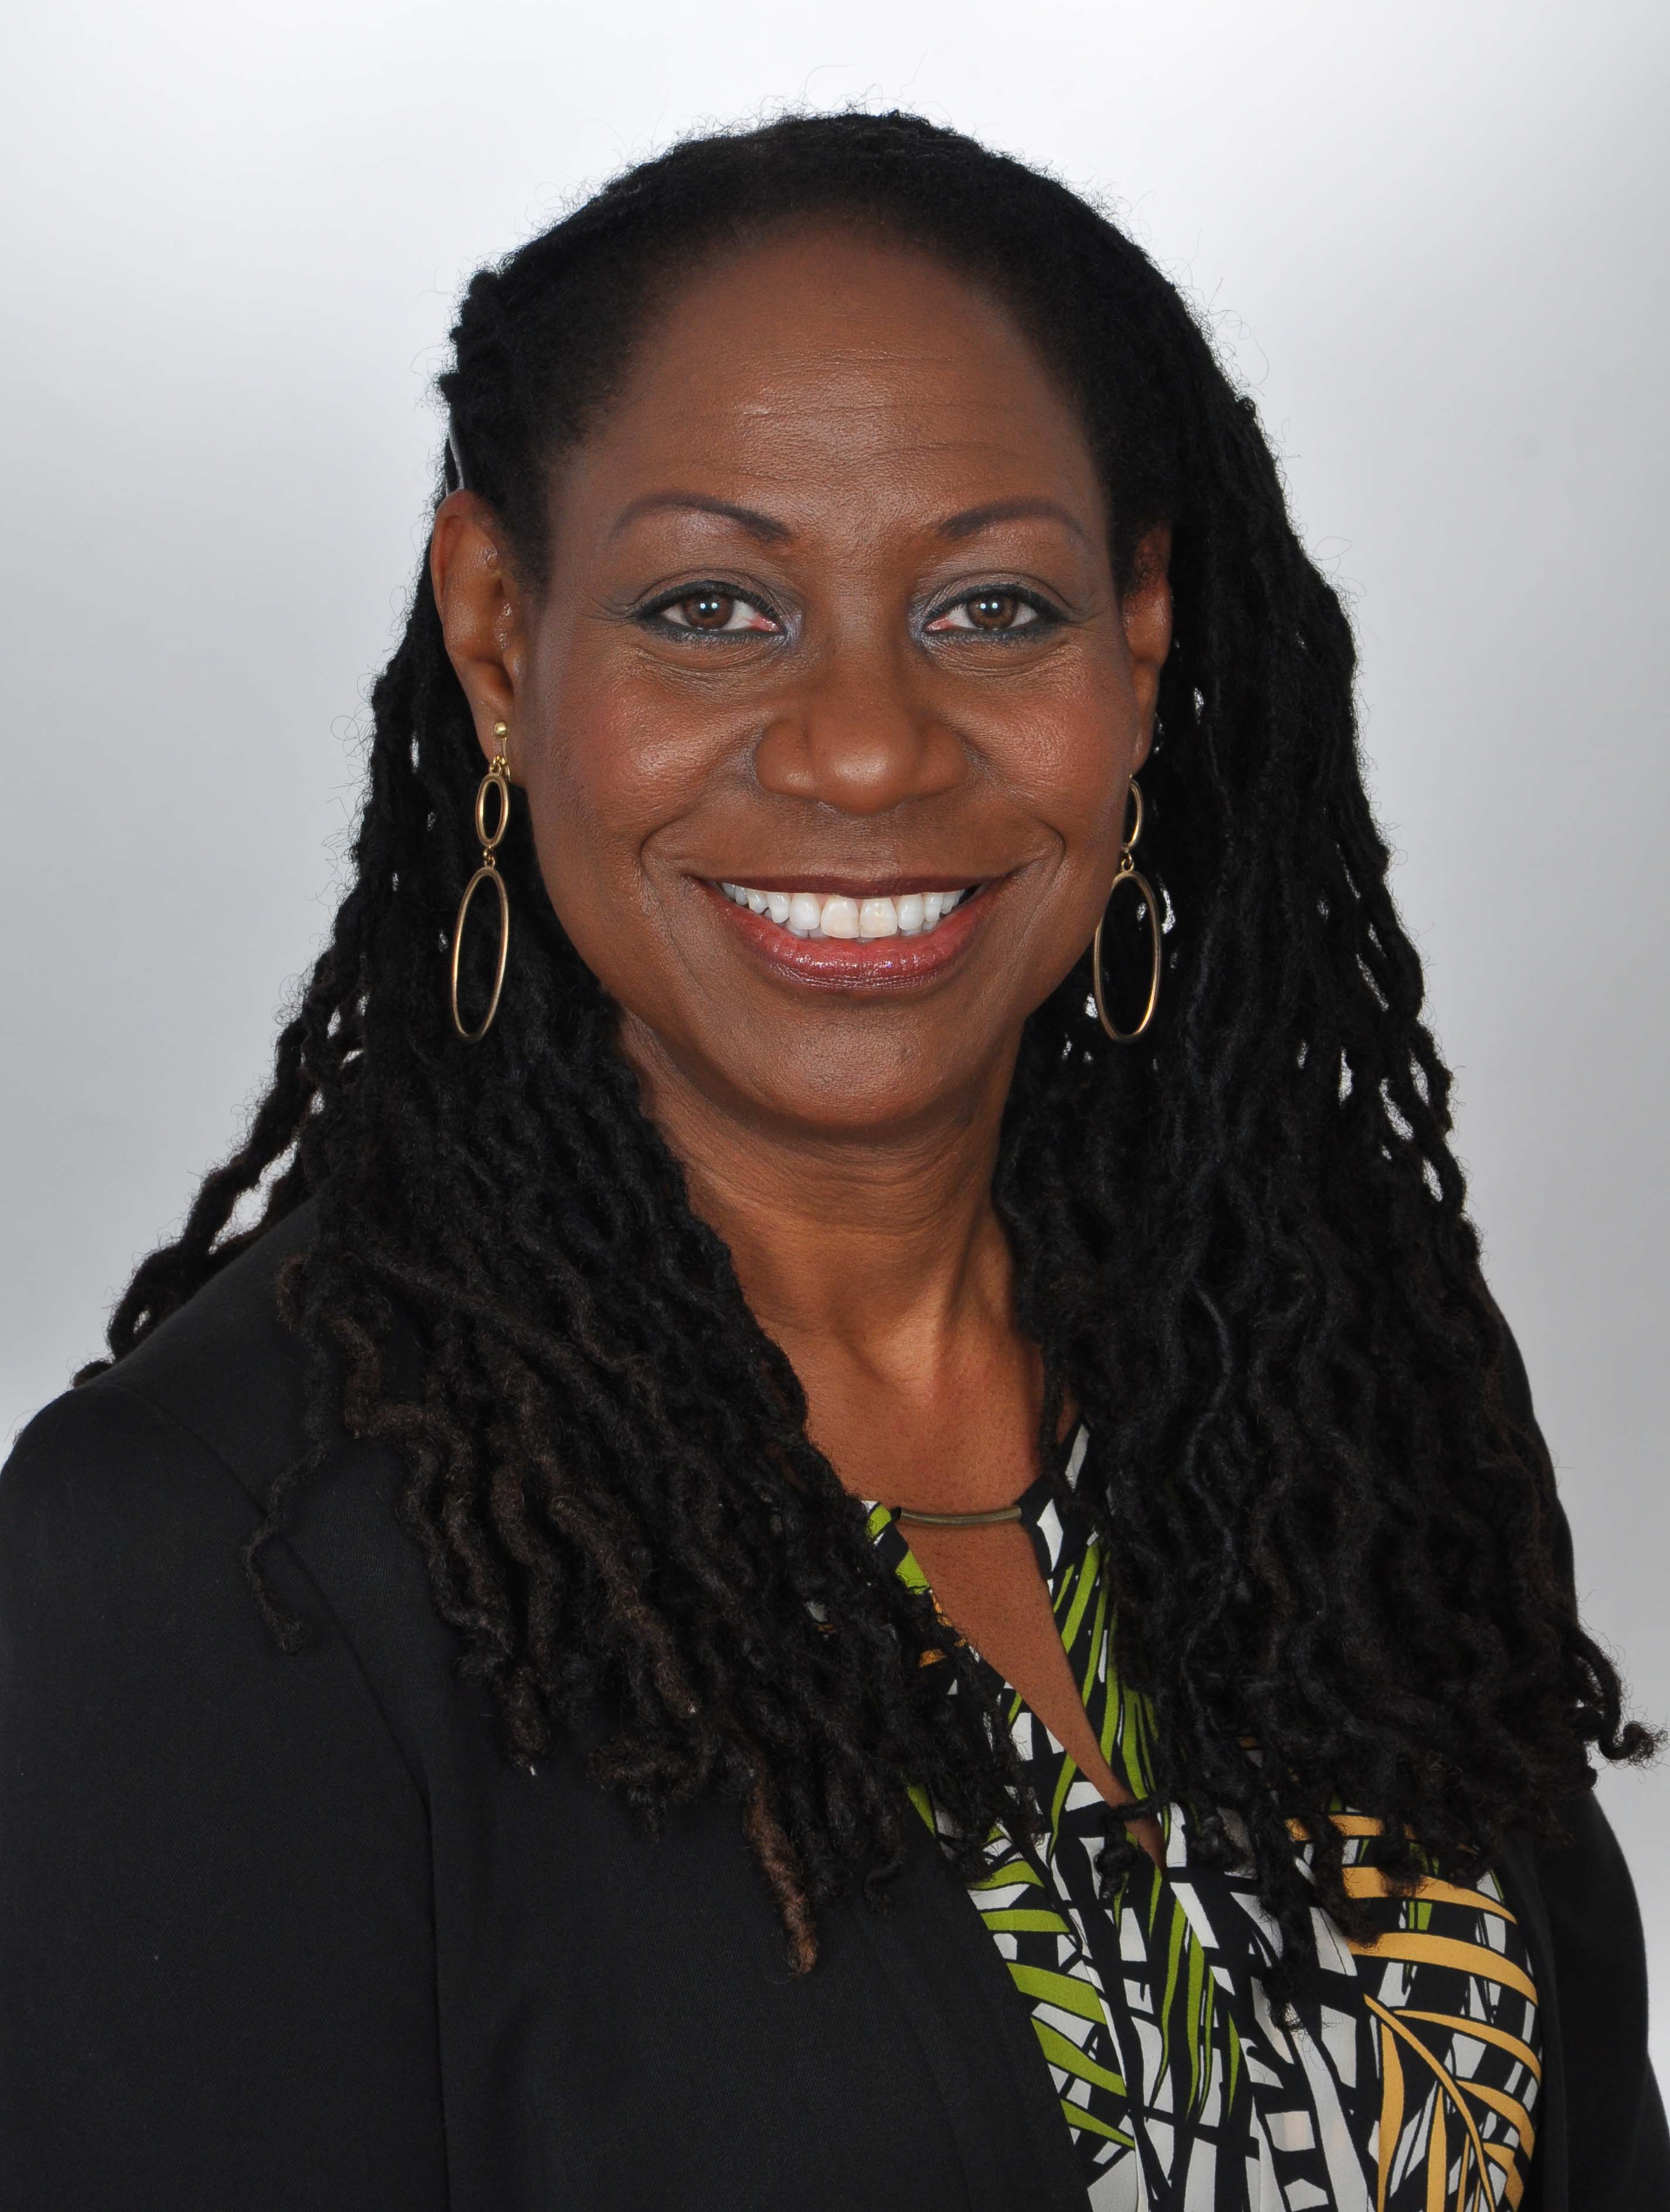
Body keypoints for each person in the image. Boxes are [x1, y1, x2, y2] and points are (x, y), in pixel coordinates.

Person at [1, 110, 1662, 2212]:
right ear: (501, 634)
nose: (867, 746)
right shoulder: (216, 1564)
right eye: (712, 605)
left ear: (1142, 639)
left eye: (994, 605)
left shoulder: (1322, 1380)